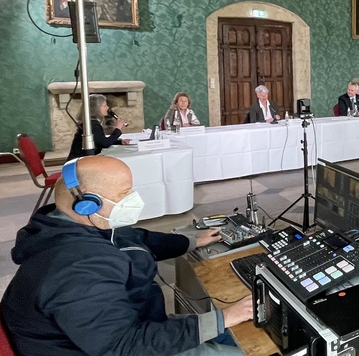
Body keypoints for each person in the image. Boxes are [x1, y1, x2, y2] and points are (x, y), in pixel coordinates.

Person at [0, 156, 253, 355]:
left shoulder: (75, 225)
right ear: (88, 204)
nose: (132, 200)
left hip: (131, 325)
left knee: (242, 329)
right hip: (121, 345)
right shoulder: (77, 269)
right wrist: (226, 316)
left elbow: (139, 240)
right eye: (124, 194)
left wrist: (192, 240)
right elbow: (123, 346)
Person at [67, 94, 130, 161]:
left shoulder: (91, 122)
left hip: (82, 160)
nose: (108, 108)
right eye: (104, 106)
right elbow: (105, 144)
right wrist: (118, 129)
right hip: (80, 162)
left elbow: (99, 141)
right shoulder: (92, 125)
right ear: (96, 108)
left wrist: (120, 142)